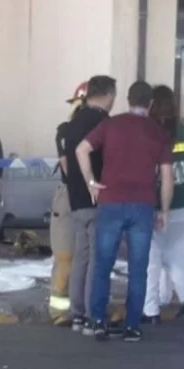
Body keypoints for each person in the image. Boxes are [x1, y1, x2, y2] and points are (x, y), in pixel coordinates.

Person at [75, 80, 174, 342]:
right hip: (142, 206)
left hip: (110, 202)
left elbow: (81, 149)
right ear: (150, 104)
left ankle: (98, 321)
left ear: (127, 100)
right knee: (138, 268)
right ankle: (132, 326)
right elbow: (166, 177)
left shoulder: (111, 124)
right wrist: (163, 210)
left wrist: (91, 183)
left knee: (103, 265)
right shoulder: (158, 133)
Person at [142, 85, 184, 324]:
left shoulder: (150, 134)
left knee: (153, 256)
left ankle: (153, 306)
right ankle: (181, 298)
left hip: (160, 208)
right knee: (171, 255)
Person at [62, 75, 116, 335]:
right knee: (98, 257)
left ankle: (77, 314)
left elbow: (65, 165)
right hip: (99, 198)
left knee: (81, 256)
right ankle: (95, 314)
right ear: (107, 95)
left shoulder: (70, 125)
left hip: (75, 200)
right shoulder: (105, 124)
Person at [49, 81, 88, 326]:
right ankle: (59, 310)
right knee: (65, 255)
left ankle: (81, 307)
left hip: (86, 196)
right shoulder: (65, 131)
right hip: (69, 196)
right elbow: (67, 167)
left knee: (86, 256)